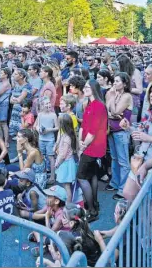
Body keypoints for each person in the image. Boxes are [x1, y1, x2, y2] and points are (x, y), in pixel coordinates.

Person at [125, 80, 152, 202]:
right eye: (151, 91)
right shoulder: (150, 113)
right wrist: (128, 127)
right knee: (128, 193)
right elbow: (140, 132)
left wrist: (149, 138)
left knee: (148, 202)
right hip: (140, 160)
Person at [78, 80, 108, 222]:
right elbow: (83, 125)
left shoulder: (99, 106)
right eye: (84, 87)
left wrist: (83, 146)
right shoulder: (90, 105)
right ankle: (94, 204)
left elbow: (93, 131)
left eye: (87, 87)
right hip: (88, 145)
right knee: (92, 175)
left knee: (82, 176)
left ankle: (92, 210)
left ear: (94, 89)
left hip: (93, 147)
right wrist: (80, 141)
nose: (85, 89)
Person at [105, 72, 133, 200]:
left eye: (117, 81)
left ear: (124, 83)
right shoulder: (115, 94)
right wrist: (112, 112)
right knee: (114, 158)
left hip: (121, 131)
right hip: (112, 129)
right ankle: (115, 183)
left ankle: (123, 189)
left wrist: (113, 109)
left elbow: (115, 111)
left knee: (123, 161)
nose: (114, 83)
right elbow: (108, 111)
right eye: (114, 81)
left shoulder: (126, 96)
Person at [55, 113, 78, 203]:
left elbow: (63, 155)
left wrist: (57, 164)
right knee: (66, 186)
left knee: (67, 186)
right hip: (67, 162)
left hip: (65, 164)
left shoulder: (66, 138)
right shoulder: (66, 135)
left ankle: (68, 205)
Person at [36, 96, 58, 185]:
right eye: (46, 104)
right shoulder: (40, 114)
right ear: (42, 105)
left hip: (50, 139)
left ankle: (52, 176)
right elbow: (37, 125)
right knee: (42, 156)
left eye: (49, 103)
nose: (48, 105)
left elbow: (57, 127)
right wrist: (39, 130)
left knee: (51, 157)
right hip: (41, 138)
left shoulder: (53, 115)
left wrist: (48, 130)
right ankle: (44, 173)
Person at [9, 68, 31, 139]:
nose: (13, 75)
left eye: (15, 74)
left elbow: (19, 100)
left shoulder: (27, 86)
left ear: (21, 76)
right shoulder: (16, 86)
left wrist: (16, 100)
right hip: (15, 111)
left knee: (23, 136)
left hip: (23, 113)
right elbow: (11, 101)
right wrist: (16, 100)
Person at [0, 67, 12, 147]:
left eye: (2, 73)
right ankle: (1, 140)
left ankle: (6, 141)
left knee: (3, 123)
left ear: (6, 75)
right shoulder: (0, 82)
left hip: (3, 104)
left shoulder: (7, 84)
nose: (0, 74)